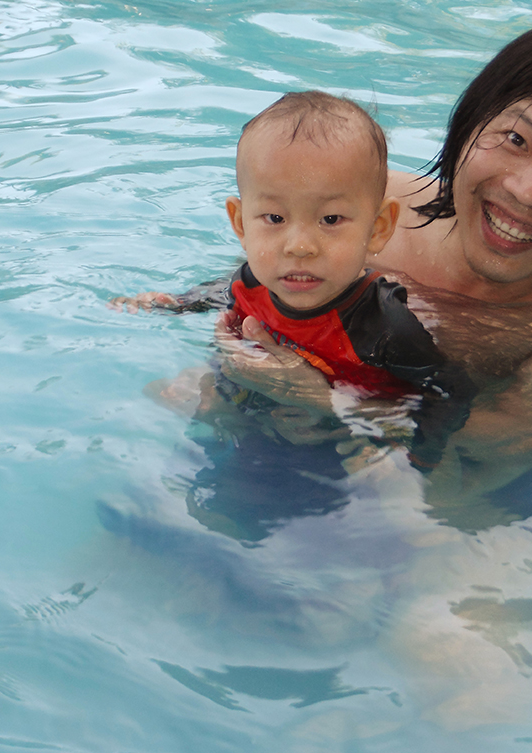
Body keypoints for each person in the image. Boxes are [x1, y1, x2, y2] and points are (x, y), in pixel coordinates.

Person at [213, 22, 532, 529]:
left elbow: (520, 440)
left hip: (466, 481)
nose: (527, 191)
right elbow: (252, 301)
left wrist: (330, 400)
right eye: (516, 139)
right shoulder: (357, 213)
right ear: (468, 130)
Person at [110, 91, 474, 543]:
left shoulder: (382, 327)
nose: (299, 245)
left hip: (341, 432)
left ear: (378, 228)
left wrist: (408, 452)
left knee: (366, 518)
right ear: (241, 223)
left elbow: (451, 389)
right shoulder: (252, 280)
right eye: (275, 217)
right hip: (265, 403)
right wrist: (175, 303)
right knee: (184, 409)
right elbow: (224, 291)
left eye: (331, 219)